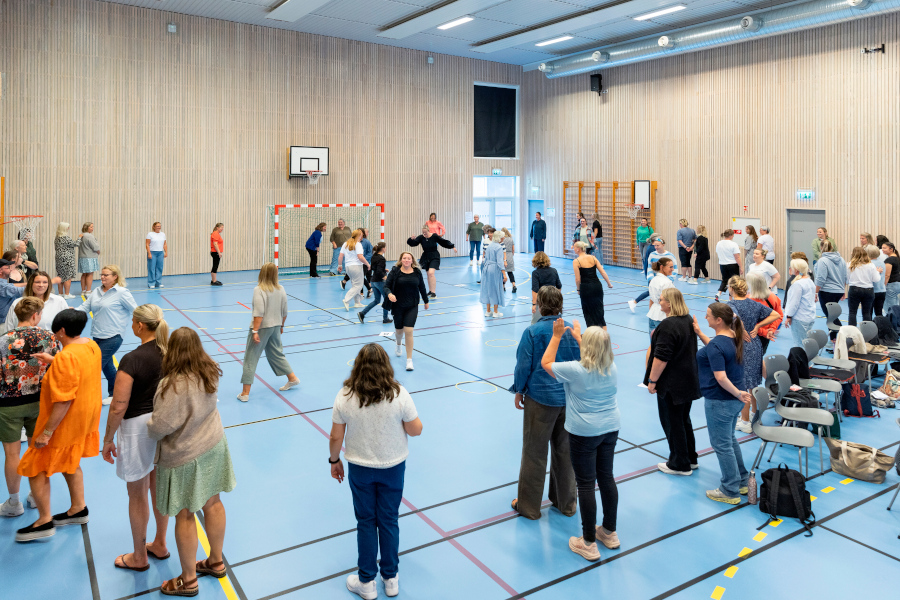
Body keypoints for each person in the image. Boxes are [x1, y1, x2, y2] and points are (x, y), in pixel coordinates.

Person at [329, 344, 423, 599]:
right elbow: (416, 430)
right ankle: (390, 578)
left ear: (357, 366)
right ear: (386, 366)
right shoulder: (399, 393)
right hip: (393, 467)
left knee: (366, 522)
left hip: (360, 469)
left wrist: (334, 461)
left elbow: (336, 436)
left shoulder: (345, 395)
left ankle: (367, 582)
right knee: (389, 520)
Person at [147, 327, 236, 597]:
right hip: (214, 445)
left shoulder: (171, 385)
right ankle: (216, 561)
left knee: (185, 515)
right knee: (213, 503)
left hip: (185, 455)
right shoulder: (209, 370)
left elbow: (160, 426)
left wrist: (148, 427)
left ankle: (188, 580)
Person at [14, 309, 101, 542]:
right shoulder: (91, 346)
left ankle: (44, 521)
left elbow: (64, 400)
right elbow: (79, 370)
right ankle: (78, 508)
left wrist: (46, 433)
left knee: (35, 466)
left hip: (64, 422)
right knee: (71, 462)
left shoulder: (66, 357)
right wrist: (55, 360)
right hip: (85, 419)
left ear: (61, 331)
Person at [541, 318, 620, 562]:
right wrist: (578, 337)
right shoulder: (612, 367)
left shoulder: (575, 369)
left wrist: (556, 337)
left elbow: (546, 363)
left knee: (586, 485)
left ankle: (588, 542)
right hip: (610, 427)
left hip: (585, 432)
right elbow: (594, 350)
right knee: (606, 477)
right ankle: (609, 531)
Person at [100, 304, 170, 571]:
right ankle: (160, 544)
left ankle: (139, 557)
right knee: (158, 486)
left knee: (137, 493)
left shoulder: (132, 359)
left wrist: (107, 439)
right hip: (164, 424)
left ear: (140, 325)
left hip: (138, 429)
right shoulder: (170, 351)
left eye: (132, 321)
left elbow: (118, 405)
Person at [509, 286, 579, 520]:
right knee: (566, 452)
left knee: (534, 452)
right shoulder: (572, 330)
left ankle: (529, 507)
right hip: (569, 400)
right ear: (561, 305)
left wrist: (519, 390)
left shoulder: (532, 332)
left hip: (541, 399)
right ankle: (565, 503)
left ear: (539, 306)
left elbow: (523, 366)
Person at [0, 298, 58, 518]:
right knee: (38, 451)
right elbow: (58, 368)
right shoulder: (49, 338)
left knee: (11, 454)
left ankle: (14, 503)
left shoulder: (4, 340)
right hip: (40, 402)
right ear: (36, 315)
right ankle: (36, 497)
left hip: (9, 404)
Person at [693, 303, 753, 505]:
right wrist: (700, 333)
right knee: (729, 440)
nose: (706, 317)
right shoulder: (732, 338)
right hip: (733, 401)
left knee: (722, 444)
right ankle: (742, 481)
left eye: (708, 316)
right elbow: (714, 349)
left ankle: (730, 490)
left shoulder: (718, 345)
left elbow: (720, 377)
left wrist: (738, 394)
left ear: (718, 320)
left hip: (722, 400)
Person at [645, 288, 700, 476]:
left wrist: (652, 381)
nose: (659, 303)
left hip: (672, 383)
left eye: (661, 300)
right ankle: (690, 458)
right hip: (688, 379)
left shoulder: (668, 325)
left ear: (670, 303)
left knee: (672, 421)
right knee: (684, 420)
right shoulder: (688, 320)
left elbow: (661, 358)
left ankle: (679, 463)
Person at [237, 263, 300, 402]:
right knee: (276, 353)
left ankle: (245, 393)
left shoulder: (259, 290)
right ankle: (292, 378)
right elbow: (285, 311)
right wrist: (282, 325)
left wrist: (255, 331)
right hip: (276, 326)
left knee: (251, 358)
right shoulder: (281, 289)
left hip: (262, 328)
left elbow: (259, 313)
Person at [76, 265, 137, 404]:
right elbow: (85, 307)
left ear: (115, 277)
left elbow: (136, 310)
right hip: (98, 335)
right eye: (102, 275)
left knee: (95, 365)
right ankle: (115, 393)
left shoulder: (122, 292)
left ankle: (83, 395)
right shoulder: (97, 291)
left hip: (114, 335)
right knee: (107, 366)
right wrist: (71, 312)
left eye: (106, 275)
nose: (102, 277)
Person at [727, 276, 779, 433]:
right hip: (756, 345)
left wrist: (741, 330)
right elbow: (775, 315)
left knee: (742, 384)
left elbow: (734, 317)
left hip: (742, 346)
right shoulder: (754, 304)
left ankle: (744, 421)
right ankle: (755, 415)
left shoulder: (731, 304)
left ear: (731, 289)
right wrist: (758, 325)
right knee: (753, 384)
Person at [384, 252, 430, 372]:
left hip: (412, 305)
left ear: (412, 260)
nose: (406, 260)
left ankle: (409, 360)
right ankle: (398, 344)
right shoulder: (395, 271)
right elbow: (386, 286)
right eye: (404, 258)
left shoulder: (417, 272)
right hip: (398, 305)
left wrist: (426, 300)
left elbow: (422, 287)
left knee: (409, 330)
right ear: (401, 260)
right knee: (399, 331)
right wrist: (389, 294)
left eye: (408, 258)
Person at [407, 225, 456, 299]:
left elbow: (443, 242)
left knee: (431, 273)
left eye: (425, 232)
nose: (424, 234)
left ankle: (433, 293)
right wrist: (411, 239)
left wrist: (452, 246)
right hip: (425, 257)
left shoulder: (434, 236)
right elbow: (413, 244)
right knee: (428, 274)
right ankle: (430, 291)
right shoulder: (421, 237)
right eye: (423, 233)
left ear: (428, 231)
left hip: (434, 256)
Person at [573, 241, 612, 330]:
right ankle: (604, 334)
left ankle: (592, 334)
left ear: (578, 249)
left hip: (586, 288)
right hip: (597, 286)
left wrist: (578, 290)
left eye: (574, 247)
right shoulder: (593, 258)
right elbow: (602, 272)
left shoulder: (576, 261)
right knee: (599, 310)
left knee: (588, 311)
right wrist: (609, 283)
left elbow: (578, 279)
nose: (573, 249)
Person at [629, 237, 674, 313]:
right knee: (652, 294)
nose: (656, 247)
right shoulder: (651, 251)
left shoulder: (668, 255)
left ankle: (635, 302)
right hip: (654, 278)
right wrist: (650, 278)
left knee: (653, 293)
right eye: (655, 245)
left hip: (662, 278)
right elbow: (649, 265)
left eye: (657, 245)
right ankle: (635, 302)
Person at [814, 240, 848, 338]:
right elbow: (845, 276)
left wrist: (815, 292)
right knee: (832, 315)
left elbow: (821, 278)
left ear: (821, 248)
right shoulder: (841, 259)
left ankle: (840, 337)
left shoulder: (822, 261)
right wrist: (843, 289)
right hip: (838, 291)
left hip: (827, 291)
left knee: (831, 317)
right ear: (832, 248)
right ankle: (835, 339)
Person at [783, 258, 818, 348]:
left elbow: (794, 303)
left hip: (800, 318)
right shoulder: (810, 281)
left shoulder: (798, 284)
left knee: (799, 345)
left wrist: (789, 316)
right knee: (805, 343)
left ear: (796, 270)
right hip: (809, 317)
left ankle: (804, 362)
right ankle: (807, 361)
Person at [746, 272, 783, 354]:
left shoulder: (747, 300)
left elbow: (748, 325)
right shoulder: (773, 297)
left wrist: (770, 330)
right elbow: (779, 315)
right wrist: (770, 330)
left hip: (752, 336)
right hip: (765, 335)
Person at [338, 230, 371, 312]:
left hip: (348, 267)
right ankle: (346, 300)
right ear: (359, 236)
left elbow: (340, 256)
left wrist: (339, 265)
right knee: (358, 285)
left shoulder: (345, 244)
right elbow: (360, 257)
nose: (362, 237)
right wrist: (367, 264)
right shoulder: (358, 244)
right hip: (356, 267)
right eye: (361, 235)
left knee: (355, 284)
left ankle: (357, 302)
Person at [846, 246, 880, 326]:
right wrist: (877, 272)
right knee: (866, 312)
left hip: (854, 289)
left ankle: (852, 332)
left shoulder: (849, 265)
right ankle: (867, 333)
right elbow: (876, 279)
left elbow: (847, 280)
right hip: (868, 290)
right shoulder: (871, 265)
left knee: (852, 312)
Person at [359, 243, 391, 324]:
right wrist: (385, 276)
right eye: (385, 247)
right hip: (380, 282)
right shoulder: (382, 258)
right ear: (383, 249)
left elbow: (374, 268)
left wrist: (384, 270)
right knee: (386, 299)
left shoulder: (374, 256)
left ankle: (362, 313)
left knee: (376, 300)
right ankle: (385, 318)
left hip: (373, 281)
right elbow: (379, 271)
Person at [531, 252, 561, 325]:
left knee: (535, 322)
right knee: (554, 320)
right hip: (553, 298)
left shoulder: (536, 273)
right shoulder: (554, 270)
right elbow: (559, 286)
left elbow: (535, 290)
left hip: (542, 299)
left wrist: (534, 304)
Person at [481, 231, 506, 317]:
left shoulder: (489, 246)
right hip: (494, 269)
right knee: (496, 288)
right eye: (502, 237)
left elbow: (485, 258)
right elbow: (500, 262)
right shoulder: (498, 247)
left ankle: (488, 311)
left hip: (487, 268)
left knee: (488, 288)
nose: (503, 238)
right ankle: (495, 311)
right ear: (499, 238)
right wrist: (504, 274)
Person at [647, 258, 675, 335]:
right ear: (662, 267)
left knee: (653, 341)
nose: (672, 269)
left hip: (652, 314)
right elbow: (671, 302)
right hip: (662, 316)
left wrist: (651, 311)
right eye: (670, 267)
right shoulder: (667, 283)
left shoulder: (653, 280)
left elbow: (651, 299)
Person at [342, 229, 373, 297]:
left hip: (363, 262)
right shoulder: (352, 243)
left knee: (361, 279)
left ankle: (366, 291)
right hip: (356, 264)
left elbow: (370, 252)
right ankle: (366, 291)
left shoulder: (366, 242)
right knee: (359, 279)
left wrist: (365, 261)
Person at [714, 229, 743, 302]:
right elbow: (737, 257)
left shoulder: (719, 243)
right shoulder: (733, 244)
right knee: (734, 281)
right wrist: (741, 266)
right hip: (732, 264)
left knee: (725, 280)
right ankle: (731, 298)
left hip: (723, 264)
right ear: (731, 236)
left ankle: (718, 293)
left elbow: (718, 253)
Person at [0, 258, 26, 333]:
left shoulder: (4, 283)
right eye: (7, 268)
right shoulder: (1, 285)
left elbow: (13, 286)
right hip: (2, 324)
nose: (10, 270)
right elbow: (17, 290)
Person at [54, 222, 79, 298]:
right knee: (68, 276)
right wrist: (80, 238)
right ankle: (67, 294)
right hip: (67, 259)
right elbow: (75, 244)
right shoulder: (65, 237)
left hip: (59, 258)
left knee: (60, 275)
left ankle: (60, 293)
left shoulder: (57, 238)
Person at [77, 222, 100, 295]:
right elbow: (95, 247)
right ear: (87, 228)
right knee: (90, 274)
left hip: (82, 257)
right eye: (91, 227)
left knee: (84, 274)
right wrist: (98, 251)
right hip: (89, 257)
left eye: (93, 227)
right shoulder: (90, 236)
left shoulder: (81, 236)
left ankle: (83, 290)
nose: (92, 228)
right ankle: (88, 290)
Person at [145, 222, 168, 289]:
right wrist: (149, 253)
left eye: (160, 226)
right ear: (154, 227)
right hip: (152, 252)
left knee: (159, 268)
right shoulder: (150, 234)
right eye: (157, 226)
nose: (159, 227)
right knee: (151, 268)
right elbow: (147, 244)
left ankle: (158, 283)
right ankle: (151, 283)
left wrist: (166, 252)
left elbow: (165, 244)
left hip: (160, 253)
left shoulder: (163, 234)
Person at [867, 245, 887, 317]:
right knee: (879, 312)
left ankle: (869, 327)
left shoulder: (869, 264)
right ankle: (880, 327)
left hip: (872, 290)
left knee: (868, 312)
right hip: (882, 290)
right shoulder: (882, 263)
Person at [676, 219, 696, 283]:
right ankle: (690, 277)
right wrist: (691, 247)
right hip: (690, 248)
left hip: (683, 248)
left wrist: (685, 247)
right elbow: (695, 239)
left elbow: (680, 240)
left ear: (681, 224)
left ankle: (684, 277)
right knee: (688, 262)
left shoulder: (680, 231)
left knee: (683, 262)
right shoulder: (692, 230)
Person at [882, 241, 900, 310]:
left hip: (892, 284)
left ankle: (891, 320)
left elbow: (887, 275)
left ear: (891, 249)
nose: (882, 250)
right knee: (896, 304)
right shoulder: (897, 258)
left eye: (884, 248)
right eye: (882, 248)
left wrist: (884, 285)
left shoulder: (889, 260)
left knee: (890, 307)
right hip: (897, 283)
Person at [501, 227, 517, 293]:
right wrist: (512, 254)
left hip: (503, 256)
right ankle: (513, 285)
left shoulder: (502, 239)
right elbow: (513, 249)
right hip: (510, 255)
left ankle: (503, 286)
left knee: (503, 272)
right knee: (510, 272)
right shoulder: (511, 239)